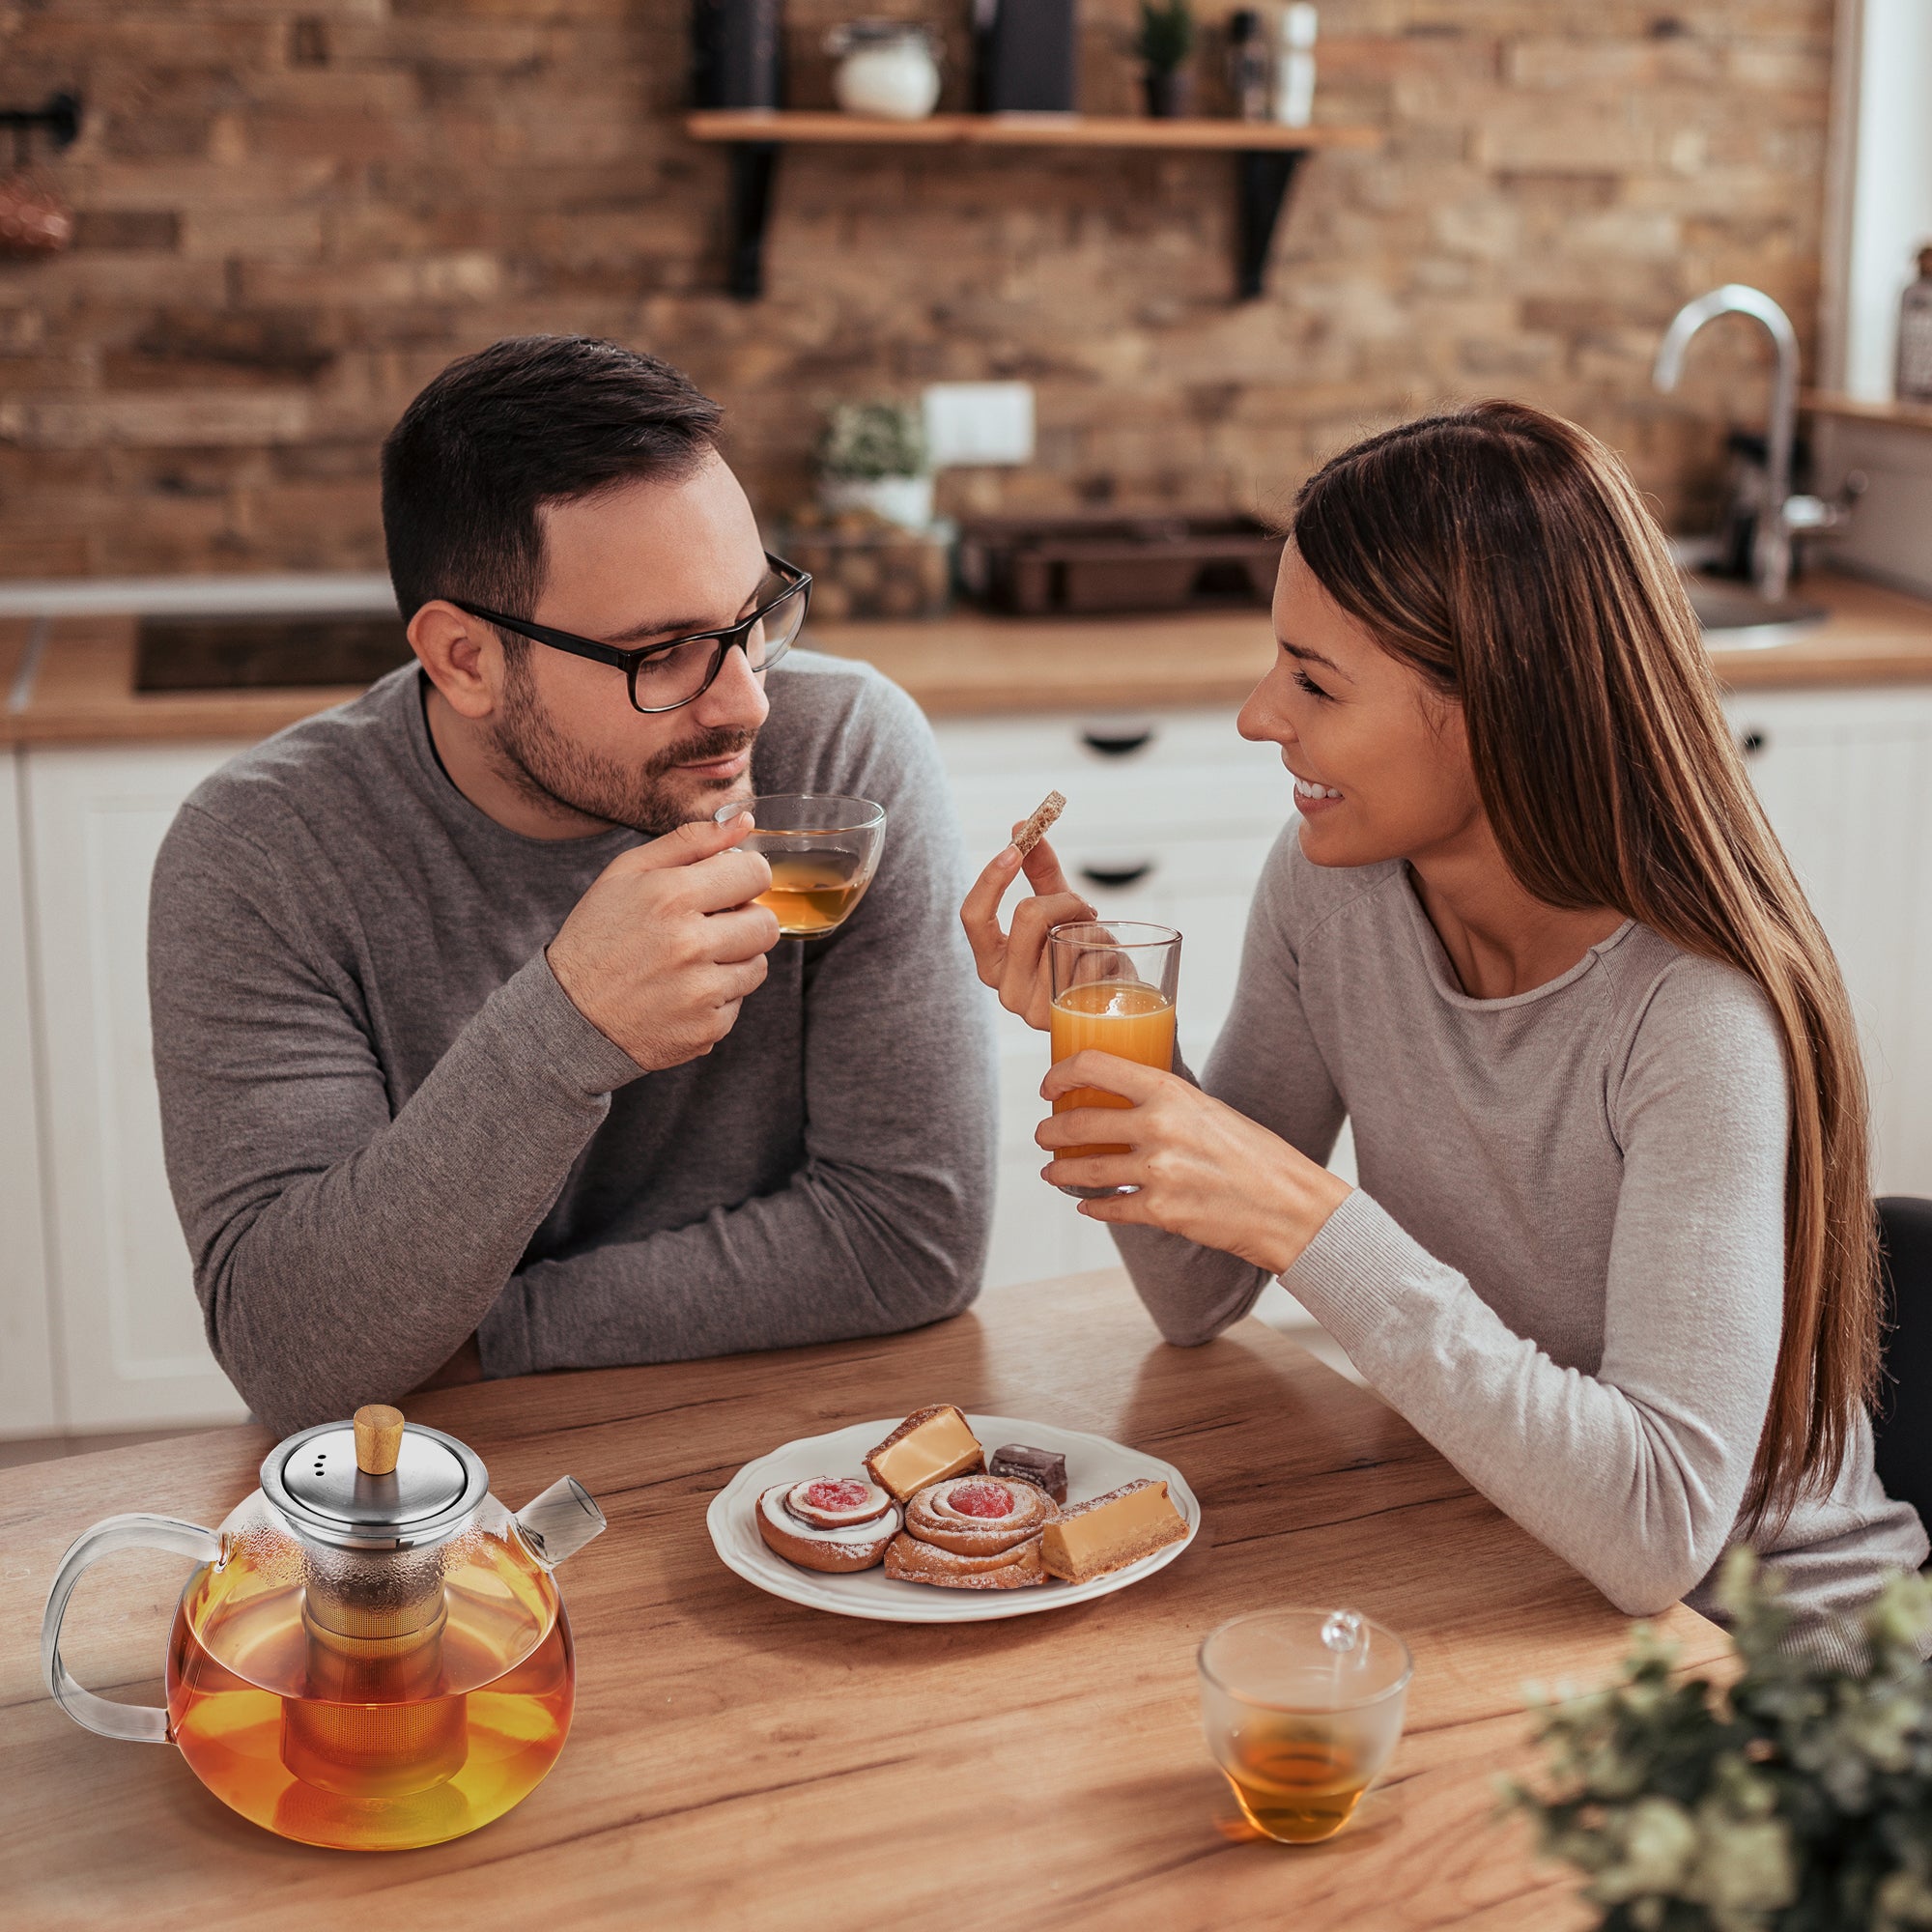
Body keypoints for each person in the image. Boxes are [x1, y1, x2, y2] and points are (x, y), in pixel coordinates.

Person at [963, 401, 1926, 1654]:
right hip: (1513, 1570)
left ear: (1498, 704)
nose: (1262, 716)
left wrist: (1313, 1219)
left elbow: (1658, 1535)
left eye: (1314, 679)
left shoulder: (1697, 1018)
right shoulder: (1334, 890)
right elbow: (1198, 1295)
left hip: (1775, 1678)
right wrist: (1109, 1032)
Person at [150, 335, 994, 1435]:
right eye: (663, 652)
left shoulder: (843, 764)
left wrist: (492, 1329)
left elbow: (910, 1237)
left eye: (752, 618)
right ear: (463, 660)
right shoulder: (264, 852)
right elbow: (295, 1349)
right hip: (439, 1483)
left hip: (781, 1426)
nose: (745, 702)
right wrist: (567, 1024)